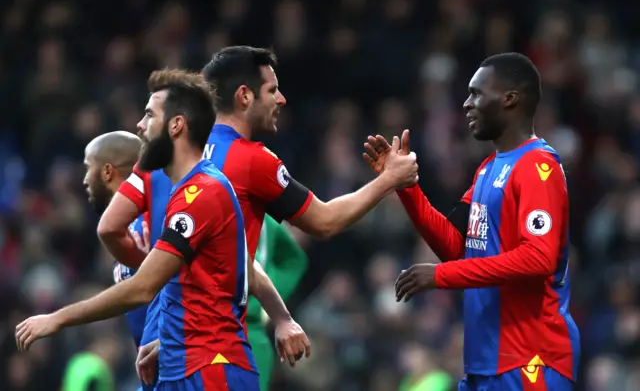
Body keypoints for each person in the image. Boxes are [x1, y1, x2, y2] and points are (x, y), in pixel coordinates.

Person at [16, 69, 260, 390]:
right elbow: (202, 287)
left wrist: (57, 319)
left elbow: (144, 287)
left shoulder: (203, 193)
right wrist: (169, 341)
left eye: (149, 115)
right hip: (183, 363)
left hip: (213, 369)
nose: (139, 126)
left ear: (176, 125)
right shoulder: (179, 193)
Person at [364, 53, 579, 390]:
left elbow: (539, 258)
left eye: (477, 94)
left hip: (531, 360)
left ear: (510, 99)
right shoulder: (488, 169)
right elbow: (456, 246)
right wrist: (405, 187)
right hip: (487, 361)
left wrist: (440, 277)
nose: (466, 104)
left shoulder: (538, 167)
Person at [201, 45, 417, 257]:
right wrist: (390, 178)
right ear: (245, 96)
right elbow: (325, 221)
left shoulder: (184, 151)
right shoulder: (253, 160)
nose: (281, 99)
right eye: (272, 90)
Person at [82, 131, 149, 349]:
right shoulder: (123, 227)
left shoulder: (149, 221)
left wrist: (58, 319)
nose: (84, 180)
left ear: (107, 171)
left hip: (179, 365)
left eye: (88, 168)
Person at [248, 215, 308, 391]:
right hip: (194, 330)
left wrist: (266, 303)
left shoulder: (264, 221)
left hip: (249, 333)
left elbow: (293, 260)